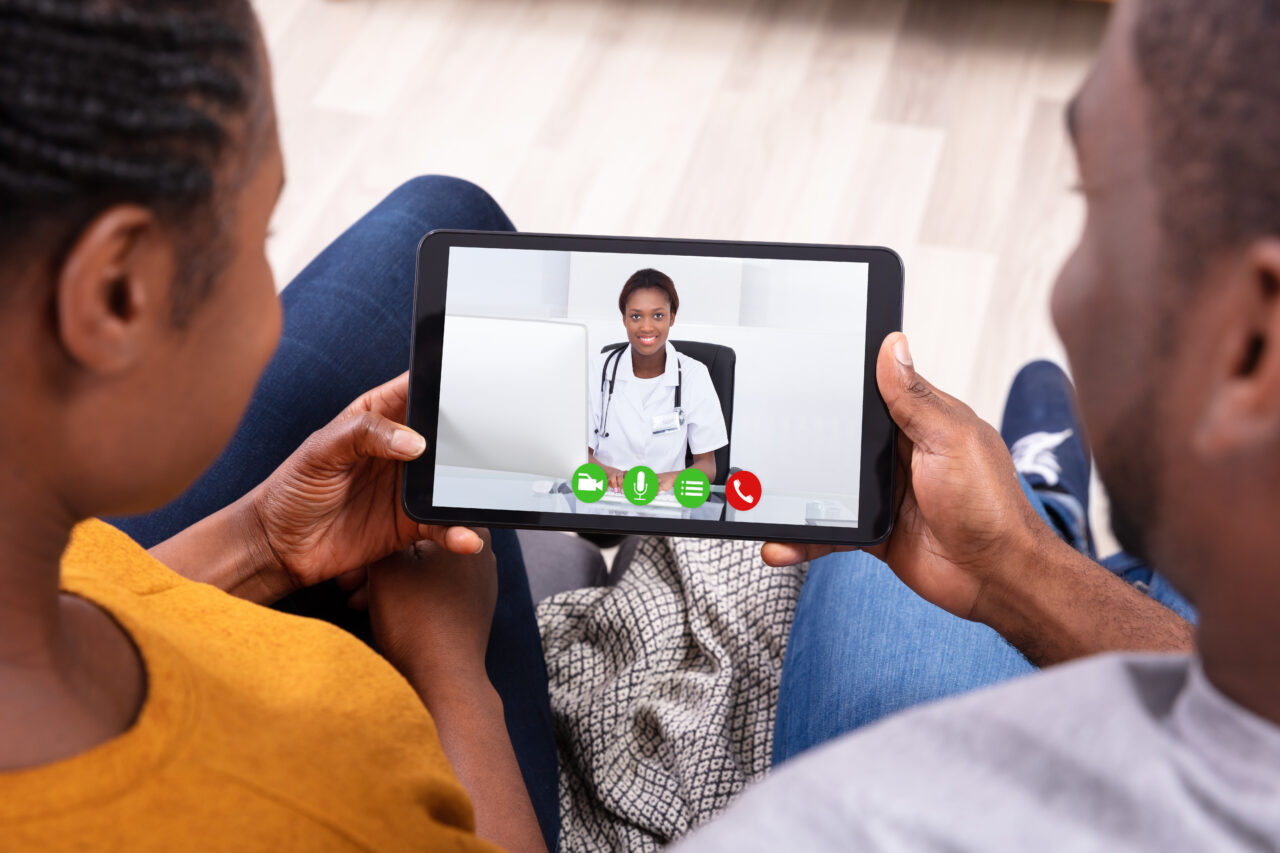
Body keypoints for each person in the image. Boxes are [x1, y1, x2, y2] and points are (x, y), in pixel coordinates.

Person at [677, 0, 1280, 847]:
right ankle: (1061, 528)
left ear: (1252, 341)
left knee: (865, 572)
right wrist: (1010, 567)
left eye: (1094, 204)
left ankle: (1052, 503)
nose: (1061, 291)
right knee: (1189, 552)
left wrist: (451, 659)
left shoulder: (825, 828)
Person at [0, 3, 554, 851]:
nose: (270, 290)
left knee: (438, 220)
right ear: (117, 292)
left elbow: (78, 592)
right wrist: (451, 673)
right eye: (259, 236)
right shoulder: (325, 804)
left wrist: (263, 541)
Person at [588, 268, 729, 493]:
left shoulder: (694, 375)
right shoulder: (597, 370)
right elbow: (580, 454)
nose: (646, 326)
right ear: (624, 319)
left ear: (672, 318)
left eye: (658, 315)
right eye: (635, 316)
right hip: (605, 498)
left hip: (666, 502)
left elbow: (708, 465)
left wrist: (673, 478)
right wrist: (612, 475)